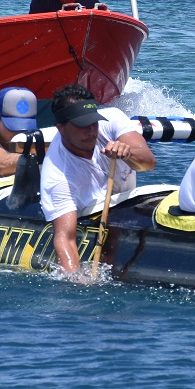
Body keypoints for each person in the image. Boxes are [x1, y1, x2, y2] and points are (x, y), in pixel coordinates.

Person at [38, 84, 155, 273]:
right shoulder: (58, 178)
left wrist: (128, 154)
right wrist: (74, 279)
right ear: (60, 128)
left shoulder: (113, 118)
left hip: (123, 204)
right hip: (94, 212)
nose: (91, 131)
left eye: (93, 122)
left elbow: (148, 163)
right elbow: (65, 238)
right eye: (81, 125)